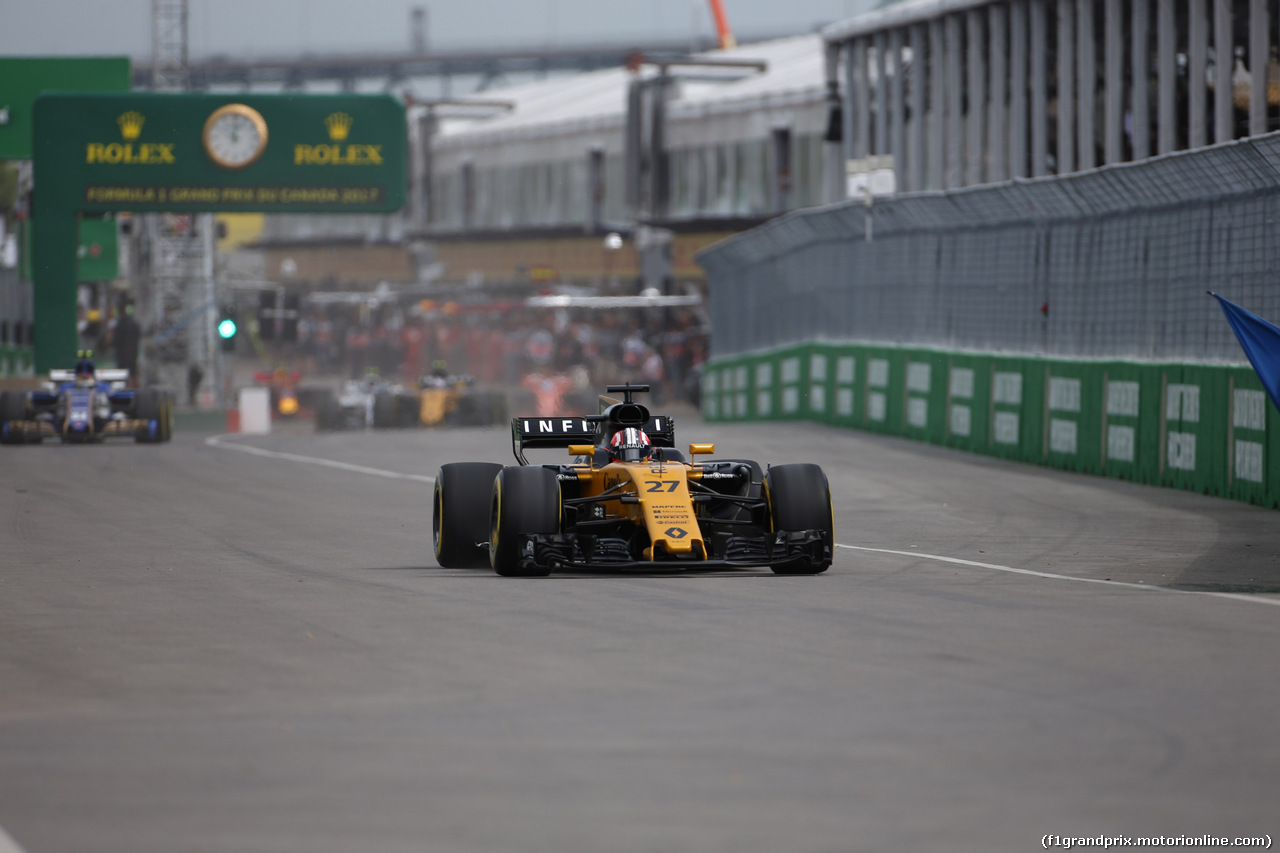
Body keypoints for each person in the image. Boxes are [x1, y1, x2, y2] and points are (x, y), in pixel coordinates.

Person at [113, 303, 141, 383]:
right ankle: (135, 390)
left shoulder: (120, 323)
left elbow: (117, 339)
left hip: (123, 355)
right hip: (133, 354)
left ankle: (126, 387)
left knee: (123, 374)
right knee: (133, 372)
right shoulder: (134, 323)